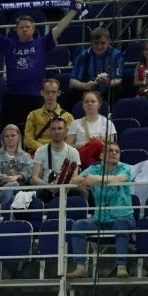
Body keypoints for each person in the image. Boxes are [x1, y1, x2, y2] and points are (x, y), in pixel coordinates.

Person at [0, 6, 79, 132]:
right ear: (16, 30)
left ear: (33, 29)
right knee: (10, 134)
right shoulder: (8, 44)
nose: (24, 29)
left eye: (28, 27)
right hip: (12, 96)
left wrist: (73, 10)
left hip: (35, 96)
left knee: (36, 134)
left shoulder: (42, 43)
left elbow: (60, 27)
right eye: (21, 27)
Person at [68, 139, 134, 278]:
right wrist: (84, 179)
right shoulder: (94, 169)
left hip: (124, 217)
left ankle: (121, 266)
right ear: (102, 156)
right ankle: (80, 267)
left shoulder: (126, 168)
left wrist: (96, 179)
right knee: (78, 225)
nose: (114, 153)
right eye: (110, 151)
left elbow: (118, 179)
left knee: (120, 223)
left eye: (117, 151)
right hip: (99, 219)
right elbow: (73, 180)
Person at [0, 123, 33, 210]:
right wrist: (5, 178)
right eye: (7, 136)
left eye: (13, 135)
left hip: (19, 184)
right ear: (3, 139)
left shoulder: (26, 156)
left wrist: (17, 177)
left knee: (10, 186)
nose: (10, 138)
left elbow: (29, 171)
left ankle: (0, 211)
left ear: (18, 137)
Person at [70, 26, 125, 105]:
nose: (99, 46)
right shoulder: (83, 56)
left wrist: (108, 83)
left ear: (109, 41)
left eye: (102, 43)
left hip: (109, 92)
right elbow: (72, 82)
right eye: (96, 43)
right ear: (91, 43)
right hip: (88, 92)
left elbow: (119, 79)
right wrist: (84, 85)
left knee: (118, 90)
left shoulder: (116, 55)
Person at [22, 78, 72, 153]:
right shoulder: (33, 115)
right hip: (38, 152)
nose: (50, 95)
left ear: (59, 93)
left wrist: (55, 149)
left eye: (53, 92)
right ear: (42, 93)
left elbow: (69, 139)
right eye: (47, 92)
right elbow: (27, 140)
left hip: (59, 152)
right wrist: (45, 149)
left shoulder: (68, 117)